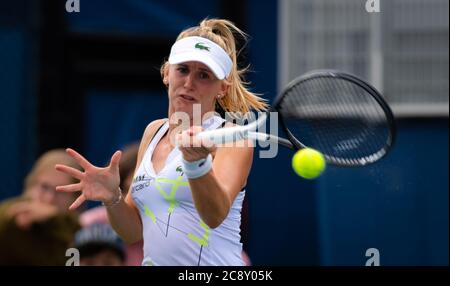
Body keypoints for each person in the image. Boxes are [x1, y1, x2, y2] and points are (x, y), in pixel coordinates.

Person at [55, 18, 267, 266]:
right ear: (167, 72)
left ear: (222, 88)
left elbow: (214, 216)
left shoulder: (234, 139)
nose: (189, 83)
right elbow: (132, 232)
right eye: (183, 70)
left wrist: (197, 165)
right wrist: (112, 198)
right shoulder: (153, 132)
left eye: (204, 75)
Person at [0, 149, 81, 265]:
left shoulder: (75, 228)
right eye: (44, 187)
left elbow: (71, 260)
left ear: (75, 197)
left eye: (60, 191)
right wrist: (10, 220)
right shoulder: (12, 214)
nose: (49, 198)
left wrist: (54, 219)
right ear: (31, 185)